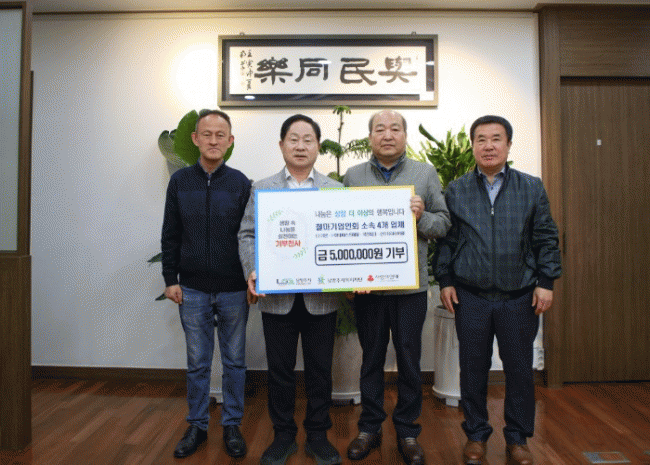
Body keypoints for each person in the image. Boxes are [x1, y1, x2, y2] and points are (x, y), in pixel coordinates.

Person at [435, 115, 562, 465]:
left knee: (519, 370)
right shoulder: (456, 189)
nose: (488, 146)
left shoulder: (531, 187)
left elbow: (546, 237)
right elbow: (447, 241)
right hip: (471, 296)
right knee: (472, 369)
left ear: (508, 144)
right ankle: (476, 435)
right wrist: (445, 280)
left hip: (518, 295)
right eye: (481, 139)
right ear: (472, 145)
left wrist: (546, 282)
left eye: (496, 139)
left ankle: (517, 438)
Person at [343, 110, 451, 465]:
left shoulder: (424, 173)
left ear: (404, 135)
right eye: (380, 129)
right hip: (369, 290)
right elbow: (344, 228)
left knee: (409, 360)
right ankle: (369, 428)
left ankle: (407, 431)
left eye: (394, 129)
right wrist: (348, 278)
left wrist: (421, 216)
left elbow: (443, 224)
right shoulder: (354, 176)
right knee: (371, 359)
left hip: (410, 289)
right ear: (370, 137)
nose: (387, 135)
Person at [238, 114, 343, 465]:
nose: (300, 146)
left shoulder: (335, 190)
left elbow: (342, 238)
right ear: (282, 145)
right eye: (293, 139)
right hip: (277, 298)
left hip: (321, 299)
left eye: (308, 139)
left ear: (318, 146)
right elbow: (247, 234)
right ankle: (283, 436)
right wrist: (253, 269)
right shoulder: (262, 188)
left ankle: (318, 436)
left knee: (320, 371)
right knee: (279, 372)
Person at [161, 109, 251, 459]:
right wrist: (171, 279)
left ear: (230, 141)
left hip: (234, 288)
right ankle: (197, 425)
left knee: (235, 362)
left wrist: (252, 277)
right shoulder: (180, 182)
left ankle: (232, 425)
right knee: (198, 362)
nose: (214, 140)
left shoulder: (241, 183)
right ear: (195, 139)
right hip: (193, 288)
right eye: (207, 134)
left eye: (220, 135)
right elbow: (171, 233)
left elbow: (250, 235)